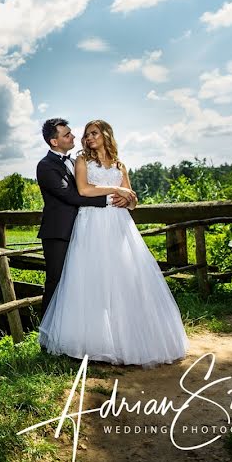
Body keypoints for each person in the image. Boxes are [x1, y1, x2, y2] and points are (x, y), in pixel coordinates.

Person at [38, 119, 188, 367]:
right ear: (55, 141)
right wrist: (114, 195)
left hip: (118, 225)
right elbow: (81, 192)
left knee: (123, 277)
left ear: (106, 135)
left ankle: (125, 337)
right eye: (82, 134)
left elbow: (131, 199)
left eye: (91, 133)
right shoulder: (72, 162)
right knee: (81, 280)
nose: (83, 138)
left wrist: (128, 199)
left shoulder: (118, 164)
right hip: (85, 224)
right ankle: (64, 339)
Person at [34, 118, 134, 320]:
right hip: (59, 232)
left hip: (84, 227)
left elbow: (128, 195)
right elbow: (71, 195)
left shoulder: (75, 161)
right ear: (54, 142)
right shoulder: (45, 166)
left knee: (81, 282)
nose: (75, 136)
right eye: (67, 134)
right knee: (56, 281)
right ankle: (47, 332)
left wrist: (129, 200)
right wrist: (111, 198)